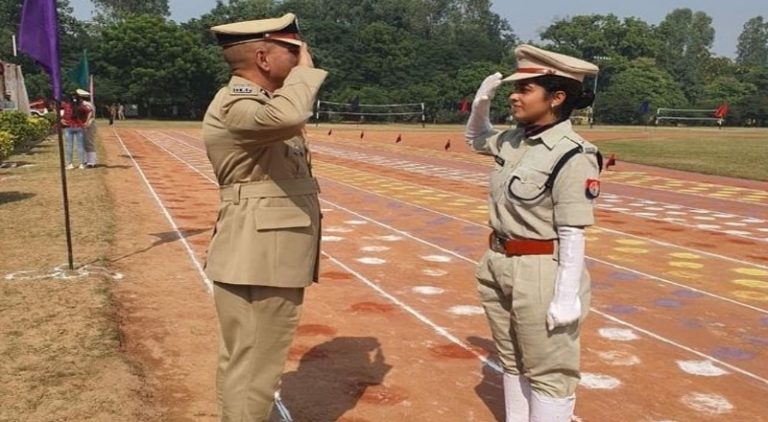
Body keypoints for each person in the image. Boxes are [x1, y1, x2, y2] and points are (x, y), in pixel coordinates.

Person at [465, 44, 601, 422]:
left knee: (549, 371)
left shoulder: (574, 154)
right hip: (498, 262)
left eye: (525, 89)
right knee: (512, 360)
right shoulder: (515, 139)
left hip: (542, 269)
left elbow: (573, 231)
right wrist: (480, 106)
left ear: (556, 97)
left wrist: (566, 295)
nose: (514, 94)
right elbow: (475, 139)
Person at [202, 13, 327, 422]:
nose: (300, 59)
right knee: (255, 367)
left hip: (262, 252)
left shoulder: (258, 103)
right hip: (261, 256)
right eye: (292, 51)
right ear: (262, 56)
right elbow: (288, 118)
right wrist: (306, 76)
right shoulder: (239, 104)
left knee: (249, 363)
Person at [62, 92, 91, 169]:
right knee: (80, 146)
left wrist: (62, 120)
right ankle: (82, 164)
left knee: (69, 146)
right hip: (79, 127)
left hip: (69, 127)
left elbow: (64, 115)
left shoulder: (67, 105)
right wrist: (86, 122)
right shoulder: (81, 106)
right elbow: (89, 111)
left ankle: (69, 164)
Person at [76, 89, 98, 168]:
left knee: (89, 143)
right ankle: (87, 160)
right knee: (83, 143)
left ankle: (92, 162)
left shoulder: (86, 104)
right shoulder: (83, 104)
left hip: (88, 125)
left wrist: (86, 122)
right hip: (83, 125)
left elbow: (90, 114)